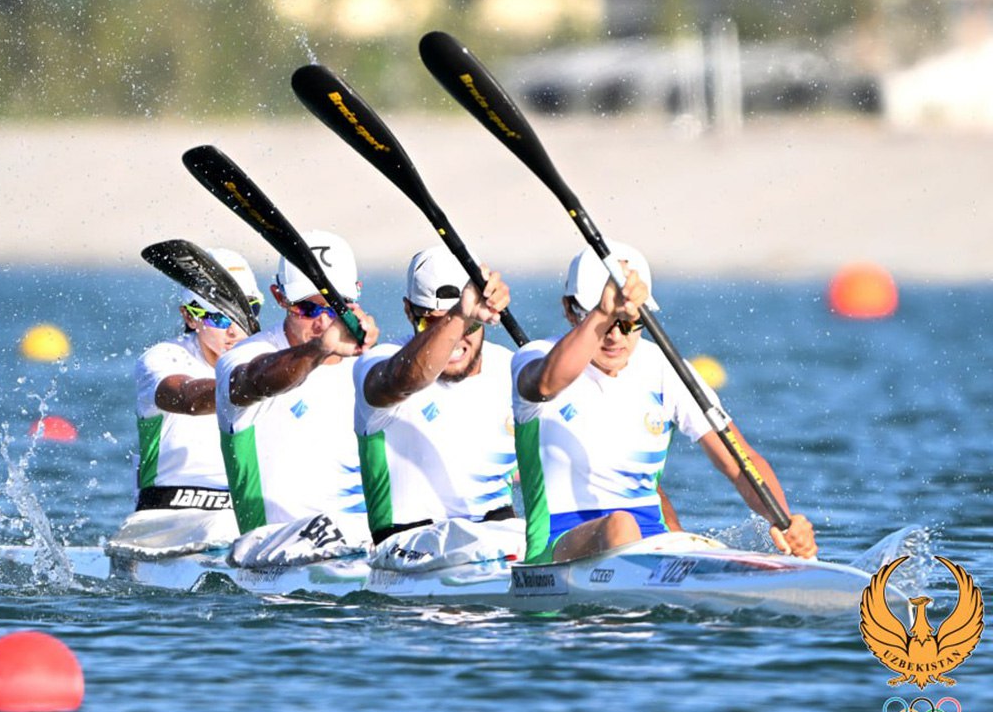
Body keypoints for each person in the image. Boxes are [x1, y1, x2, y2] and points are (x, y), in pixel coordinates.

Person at [511, 239, 817, 564]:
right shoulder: (535, 357)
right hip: (556, 548)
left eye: (628, 321)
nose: (615, 335)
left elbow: (740, 461)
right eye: (602, 321)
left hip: (653, 542)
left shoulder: (664, 368)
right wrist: (605, 309)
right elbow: (546, 383)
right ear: (570, 311)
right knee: (621, 525)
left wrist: (782, 520)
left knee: (717, 552)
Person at [352, 246, 523, 570]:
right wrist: (460, 315)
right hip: (405, 548)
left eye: (469, 325)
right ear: (408, 312)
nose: (454, 340)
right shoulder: (378, 364)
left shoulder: (511, 369)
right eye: (433, 324)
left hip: (499, 541)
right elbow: (405, 380)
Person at [215, 230, 379, 566]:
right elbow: (253, 381)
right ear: (279, 297)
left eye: (336, 306)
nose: (323, 322)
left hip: (363, 549)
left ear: (357, 294)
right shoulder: (244, 357)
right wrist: (320, 349)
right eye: (307, 308)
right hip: (271, 553)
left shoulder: (376, 368)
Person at [106, 247, 262, 558]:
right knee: (225, 526)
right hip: (162, 522)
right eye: (219, 317)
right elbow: (189, 398)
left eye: (248, 311)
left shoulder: (271, 361)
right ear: (190, 317)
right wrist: (257, 386)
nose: (235, 329)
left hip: (242, 516)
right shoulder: (163, 358)